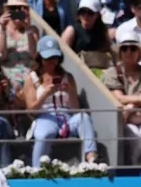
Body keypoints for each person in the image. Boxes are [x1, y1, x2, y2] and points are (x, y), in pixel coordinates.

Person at [24, 36, 98, 167]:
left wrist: (70, 91)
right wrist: (45, 94)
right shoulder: (32, 78)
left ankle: (92, 158)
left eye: (55, 58)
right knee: (44, 133)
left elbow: (75, 109)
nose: (52, 62)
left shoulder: (68, 77)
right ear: (40, 58)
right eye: (48, 58)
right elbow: (31, 111)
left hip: (66, 118)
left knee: (84, 117)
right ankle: (37, 169)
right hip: (45, 117)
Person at [102, 31, 141, 165]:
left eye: (133, 48)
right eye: (124, 48)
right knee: (134, 138)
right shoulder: (112, 72)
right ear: (120, 52)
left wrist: (129, 107)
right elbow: (119, 98)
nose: (128, 51)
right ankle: (134, 169)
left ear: (139, 52)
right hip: (124, 121)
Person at [0, 0, 39, 106]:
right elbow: (0, 56)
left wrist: (27, 29)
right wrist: (3, 29)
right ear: (7, 10)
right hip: (8, 78)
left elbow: (34, 54)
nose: (17, 11)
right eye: (13, 8)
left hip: (29, 77)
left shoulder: (32, 30)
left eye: (21, 8)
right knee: (14, 88)